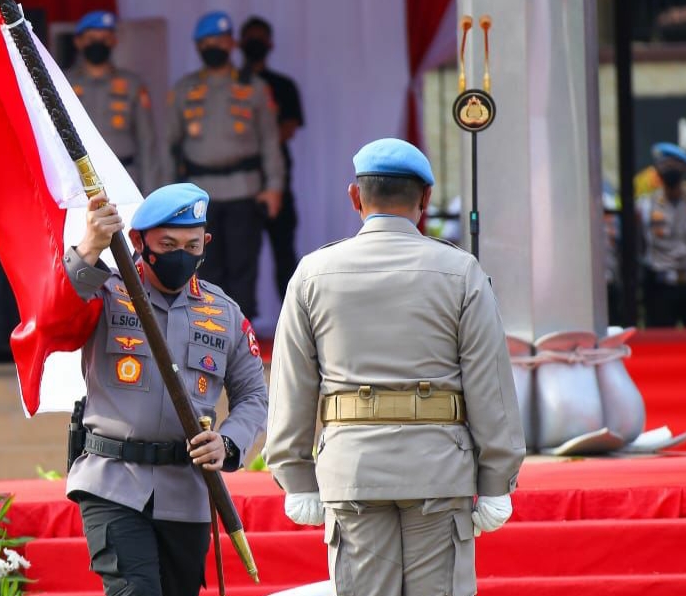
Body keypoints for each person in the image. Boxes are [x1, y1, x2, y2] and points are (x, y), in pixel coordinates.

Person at [265, 139, 526, 596]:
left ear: (355, 197)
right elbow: (490, 385)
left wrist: (295, 474)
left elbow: (292, 384)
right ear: (426, 198)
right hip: (438, 467)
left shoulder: (312, 273)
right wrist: (497, 478)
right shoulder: (460, 272)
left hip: (352, 469)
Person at [63, 183, 268, 596]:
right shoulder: (106, 291)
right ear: (139, 242)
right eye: (168, 244)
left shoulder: (224, 313)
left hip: (187, 493)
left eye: (192, 245)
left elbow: (253, 396)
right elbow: (55, 314)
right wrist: (89, 247)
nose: (181, 255)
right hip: (114, 481)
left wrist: (228, 443)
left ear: (206, 243)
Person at [166, 10, 284, 319]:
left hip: (244, 189)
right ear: (197, 46)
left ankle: (241, 333)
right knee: (203, 265)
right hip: (199, 194)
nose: (214, 47)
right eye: (207, 42)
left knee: (243, 267)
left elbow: (270, 141)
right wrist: (168, 194)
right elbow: (168, 145)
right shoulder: (184, 89)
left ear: (232, 43)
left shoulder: (255, 87)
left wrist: (274, 187)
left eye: (220, 40)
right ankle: (208, 329)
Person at [239, 16, 305, 299]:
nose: (255, 44)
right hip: (242, 181)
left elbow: (288, 128)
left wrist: (260, 142)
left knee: (284, 254)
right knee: (241, 257)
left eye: (260, 38)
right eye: (250, 38)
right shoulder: (233, 86)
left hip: (277, 180)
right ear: (240, 43)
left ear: (270, 44)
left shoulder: (283, 85)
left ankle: (293, 313)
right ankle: (240, 317)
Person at [66, 10, 158, 194]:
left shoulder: (132, 84)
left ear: (114, 41)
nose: (98, 44)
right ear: (78, 41)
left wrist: (150, 193)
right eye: (92, 38)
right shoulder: (63, 82)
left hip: (124, 178)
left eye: (105, 38)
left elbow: (147, 141)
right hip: (77, 182)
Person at [639, 142, 686, 327]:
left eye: (674, 166)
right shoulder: (646, 205)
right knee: (659, 339)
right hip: (660, 286)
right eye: (665, 166)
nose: (669, 170)